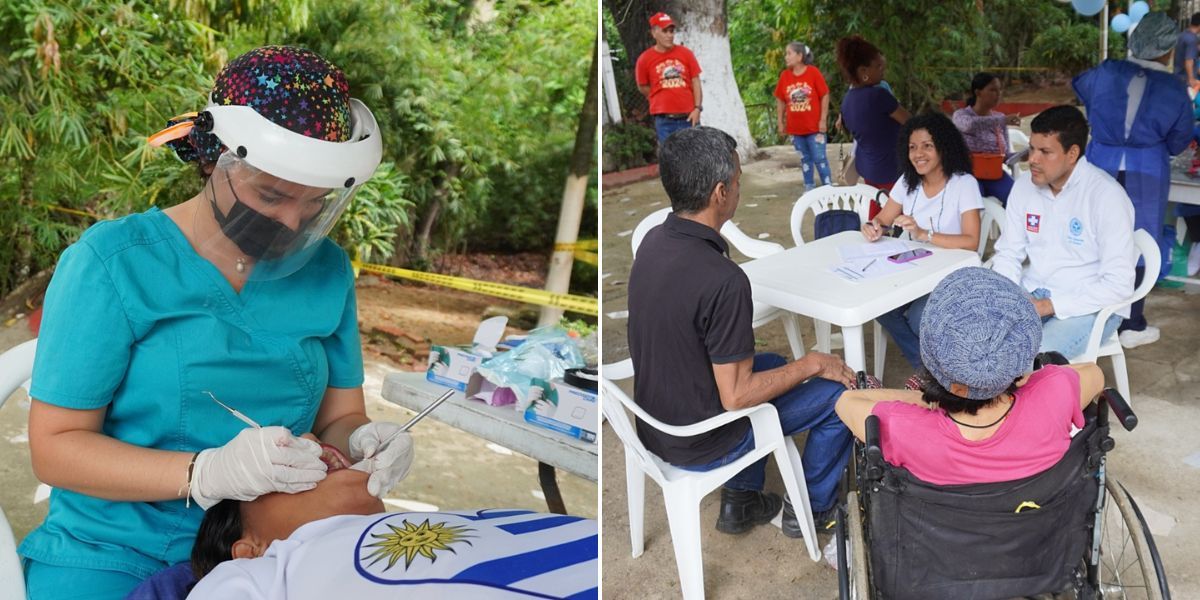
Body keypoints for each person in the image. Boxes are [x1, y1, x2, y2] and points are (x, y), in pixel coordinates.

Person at [20, 46, 415, 599]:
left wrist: (368, 441)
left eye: (314, 203)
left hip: (278, 549)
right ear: (213, 157)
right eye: (271, 194)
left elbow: (340, 420)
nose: (291, 221)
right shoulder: (113, 263)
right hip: (114, 549)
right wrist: (203, 474)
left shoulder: (326, 271)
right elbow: (56, 447)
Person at [627, 126, 855, 537]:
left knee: (768, 364)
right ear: (719, 194)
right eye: (736, 181)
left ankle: (741, 502)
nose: (739, 189)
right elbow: (736, 397)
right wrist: (813, 363)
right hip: (700, 441)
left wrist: (798, 369)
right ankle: (813, 510)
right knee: (841, 394)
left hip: (655, 423)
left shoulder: (654, 242)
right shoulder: (724, 280)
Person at [834, 267, 1104, 486]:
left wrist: (925, 400)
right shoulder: (1052, 396)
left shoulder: (905, 428)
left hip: (940, 547)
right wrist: (1020, 380)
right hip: (1041, 539)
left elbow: (847, 401)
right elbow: (1093, 373)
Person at [184, 468, 598, 598]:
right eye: (275, 477)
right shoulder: (255, 578)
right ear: (249, 550)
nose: (310, 444)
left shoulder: (465, 520)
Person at [1074, 12, 1193, 349]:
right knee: (1140, 242)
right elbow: (1180, 138)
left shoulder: (1105, 71)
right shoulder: (1173, 88)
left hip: (1101, 163)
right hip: (1147, 168)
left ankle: (1093, 312)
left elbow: (1080, 89)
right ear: (1168, 50)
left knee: (1096, 235)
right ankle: (1132, 323)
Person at [990, 105, 1136, 359]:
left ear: (1072, 154)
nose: (1033, 159)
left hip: (1091, 304)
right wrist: (1010, 296)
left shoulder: (1106, 197)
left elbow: (1119, 285)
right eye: (1032, 148)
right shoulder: (1024, 186)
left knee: (1030, 359)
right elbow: (1008, 253)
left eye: (1045, 152)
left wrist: (1048, 306)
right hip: (1033, 291)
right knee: (972, 338)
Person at [861, 112, 983, 374]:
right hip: (913, 269)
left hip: (953, 272)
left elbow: (971, 242)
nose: (918, 154)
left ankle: (930, 370)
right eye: (912, 147)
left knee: (919, 318)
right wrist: (873, 227)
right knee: (881, 306)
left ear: (943, 147)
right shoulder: (908, 182)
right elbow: (882, 218)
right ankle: (928, 369)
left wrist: (924, 234)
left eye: (927, 145)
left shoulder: (964, 184)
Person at [836, 35, 910, 192]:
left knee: (876, 207)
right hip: (892, 169)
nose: (883, 72)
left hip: (868, 169)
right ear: (863, 71)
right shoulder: (879, 95)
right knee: (898, 212)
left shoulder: (847, 100)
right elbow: (910, 121)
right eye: (879, 67)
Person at [952, 72, 1024, 205]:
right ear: (978, 92)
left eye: (999, 90)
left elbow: (1005, 155)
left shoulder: (999, 118)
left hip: (994, 174)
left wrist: (1023, 155)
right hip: (967, 175)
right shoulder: (961, 115)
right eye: (992, 90)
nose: (998, 94)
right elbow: (970, 125)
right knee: (973, 207)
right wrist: (1002, 120)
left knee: (1018, 201)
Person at [635, 12, 703, 143]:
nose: (669, 35)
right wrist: (658, 96)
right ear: (654, 33)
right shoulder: (644, 59)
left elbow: (695, 81)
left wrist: (697, 108)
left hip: (689, 117)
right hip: (665, 121)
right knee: (671, 160)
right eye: (665, 31)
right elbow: (642, 86)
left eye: (671, 31)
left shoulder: (686, 54)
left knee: (695, 157)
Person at [775, 42, 831, 189]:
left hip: (815, 127)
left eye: (789, 53)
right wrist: (780, 122)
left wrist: (823, 120)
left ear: (799, 56)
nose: (786, 57)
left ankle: (828, 188)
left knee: (820, 158)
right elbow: (780, 100)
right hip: (796, 129)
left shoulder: (813, 73)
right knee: (805, 159)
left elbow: (824, 95)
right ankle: (809, 187)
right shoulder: (785, 76)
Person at [1175, 12, 1200, 88]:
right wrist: (1191, 79)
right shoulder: (1192, 39)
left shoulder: (1183, 34)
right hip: (1186, 79)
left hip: (1178, 75)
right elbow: (1189, 60)